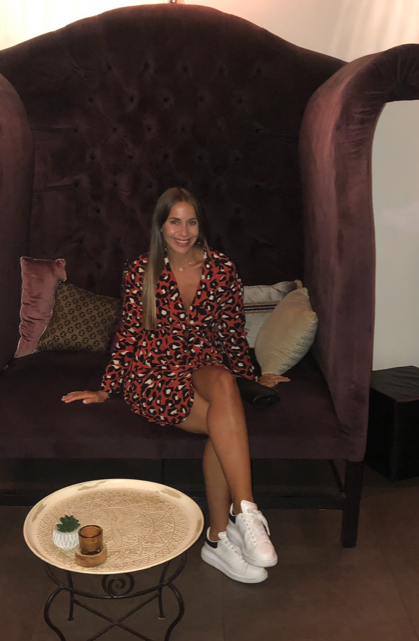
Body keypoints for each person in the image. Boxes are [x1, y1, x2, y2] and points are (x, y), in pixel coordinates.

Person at [61, 187, 289, 584]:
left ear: (201, 225)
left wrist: (250, 377)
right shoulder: (141, 270)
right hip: (154, 369)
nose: (183, 232)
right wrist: (107, 388)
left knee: (224, 382)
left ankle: (245, 513)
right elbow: (129, 334)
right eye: (175, 222)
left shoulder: (222, 268)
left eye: (191, 222)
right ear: (161, 225)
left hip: (203, 361)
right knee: (224, 424)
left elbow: (232, 331)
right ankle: (218, 538)